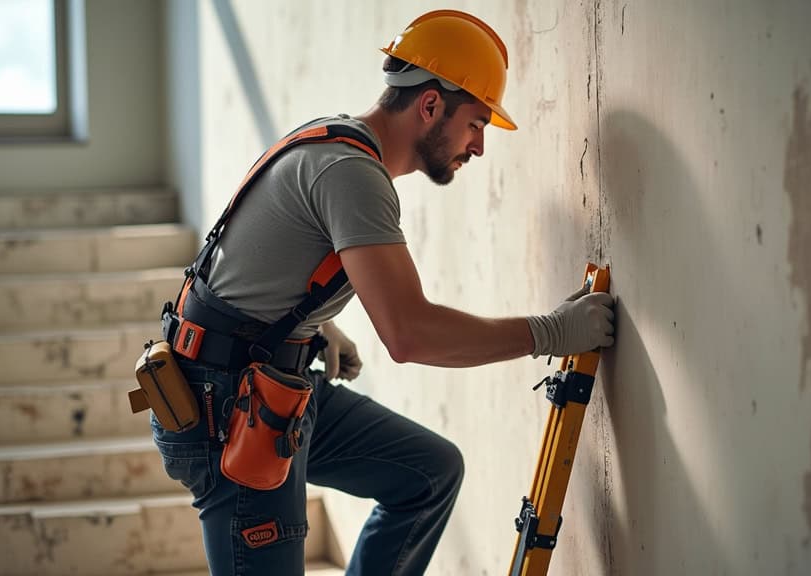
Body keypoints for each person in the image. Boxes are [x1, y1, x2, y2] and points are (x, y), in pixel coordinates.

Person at [151, 9, 614, 576]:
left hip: (267, 379)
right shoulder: (350, 173)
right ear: (429, 106)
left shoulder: (332, 142)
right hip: (228, 405)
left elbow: (253, 259)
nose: (479, 147)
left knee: (427, 474)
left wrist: (315, 326)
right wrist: (552, 332)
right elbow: (409, 334)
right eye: (475, 124)